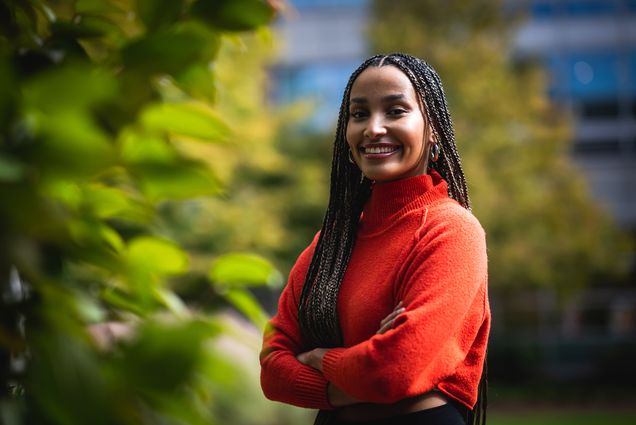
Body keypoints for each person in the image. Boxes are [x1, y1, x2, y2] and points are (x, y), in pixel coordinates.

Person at [260, 53, 490, 425]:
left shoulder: (451, 231)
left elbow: (394, 370)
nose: (374, 129)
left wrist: (321, 358)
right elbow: (272, 368)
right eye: (360, 113)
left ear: (432, 128)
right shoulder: (331, 245)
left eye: (396, 111)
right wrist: (356, 371)